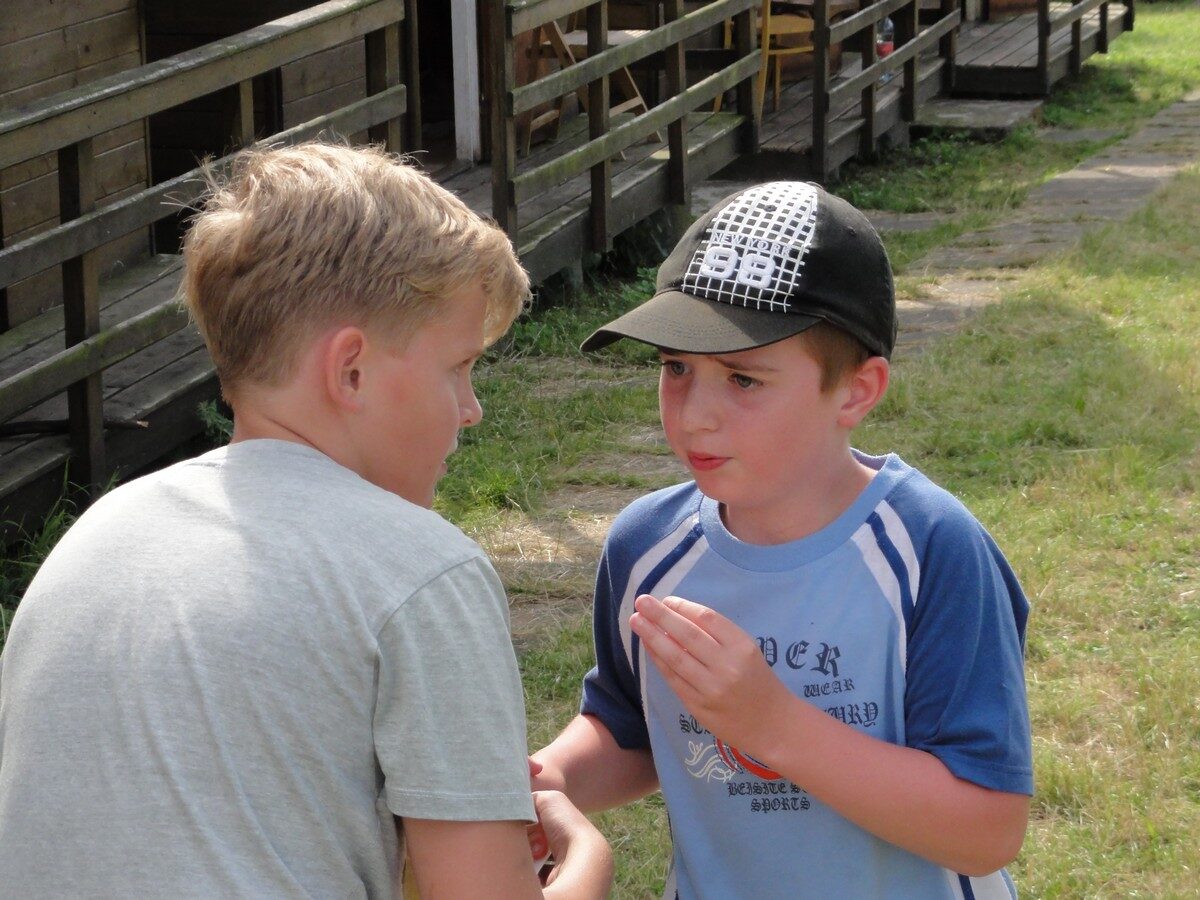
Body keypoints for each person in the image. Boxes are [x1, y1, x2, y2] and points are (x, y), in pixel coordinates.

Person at [0, 143, 612, 899]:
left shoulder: (95, 539)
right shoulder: (420, 572)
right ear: (351, 370)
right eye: (457, 368)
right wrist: (586, 861)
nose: (471, 409)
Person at [531, 181, 1033, 898]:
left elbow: (987, 828)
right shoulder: (647, 548)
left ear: (856, 391)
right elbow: (630, 728)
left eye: (743, 379)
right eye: (676, 368)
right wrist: (550, 778)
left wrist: (774, 727)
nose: (694, 415)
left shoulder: (931, 550)